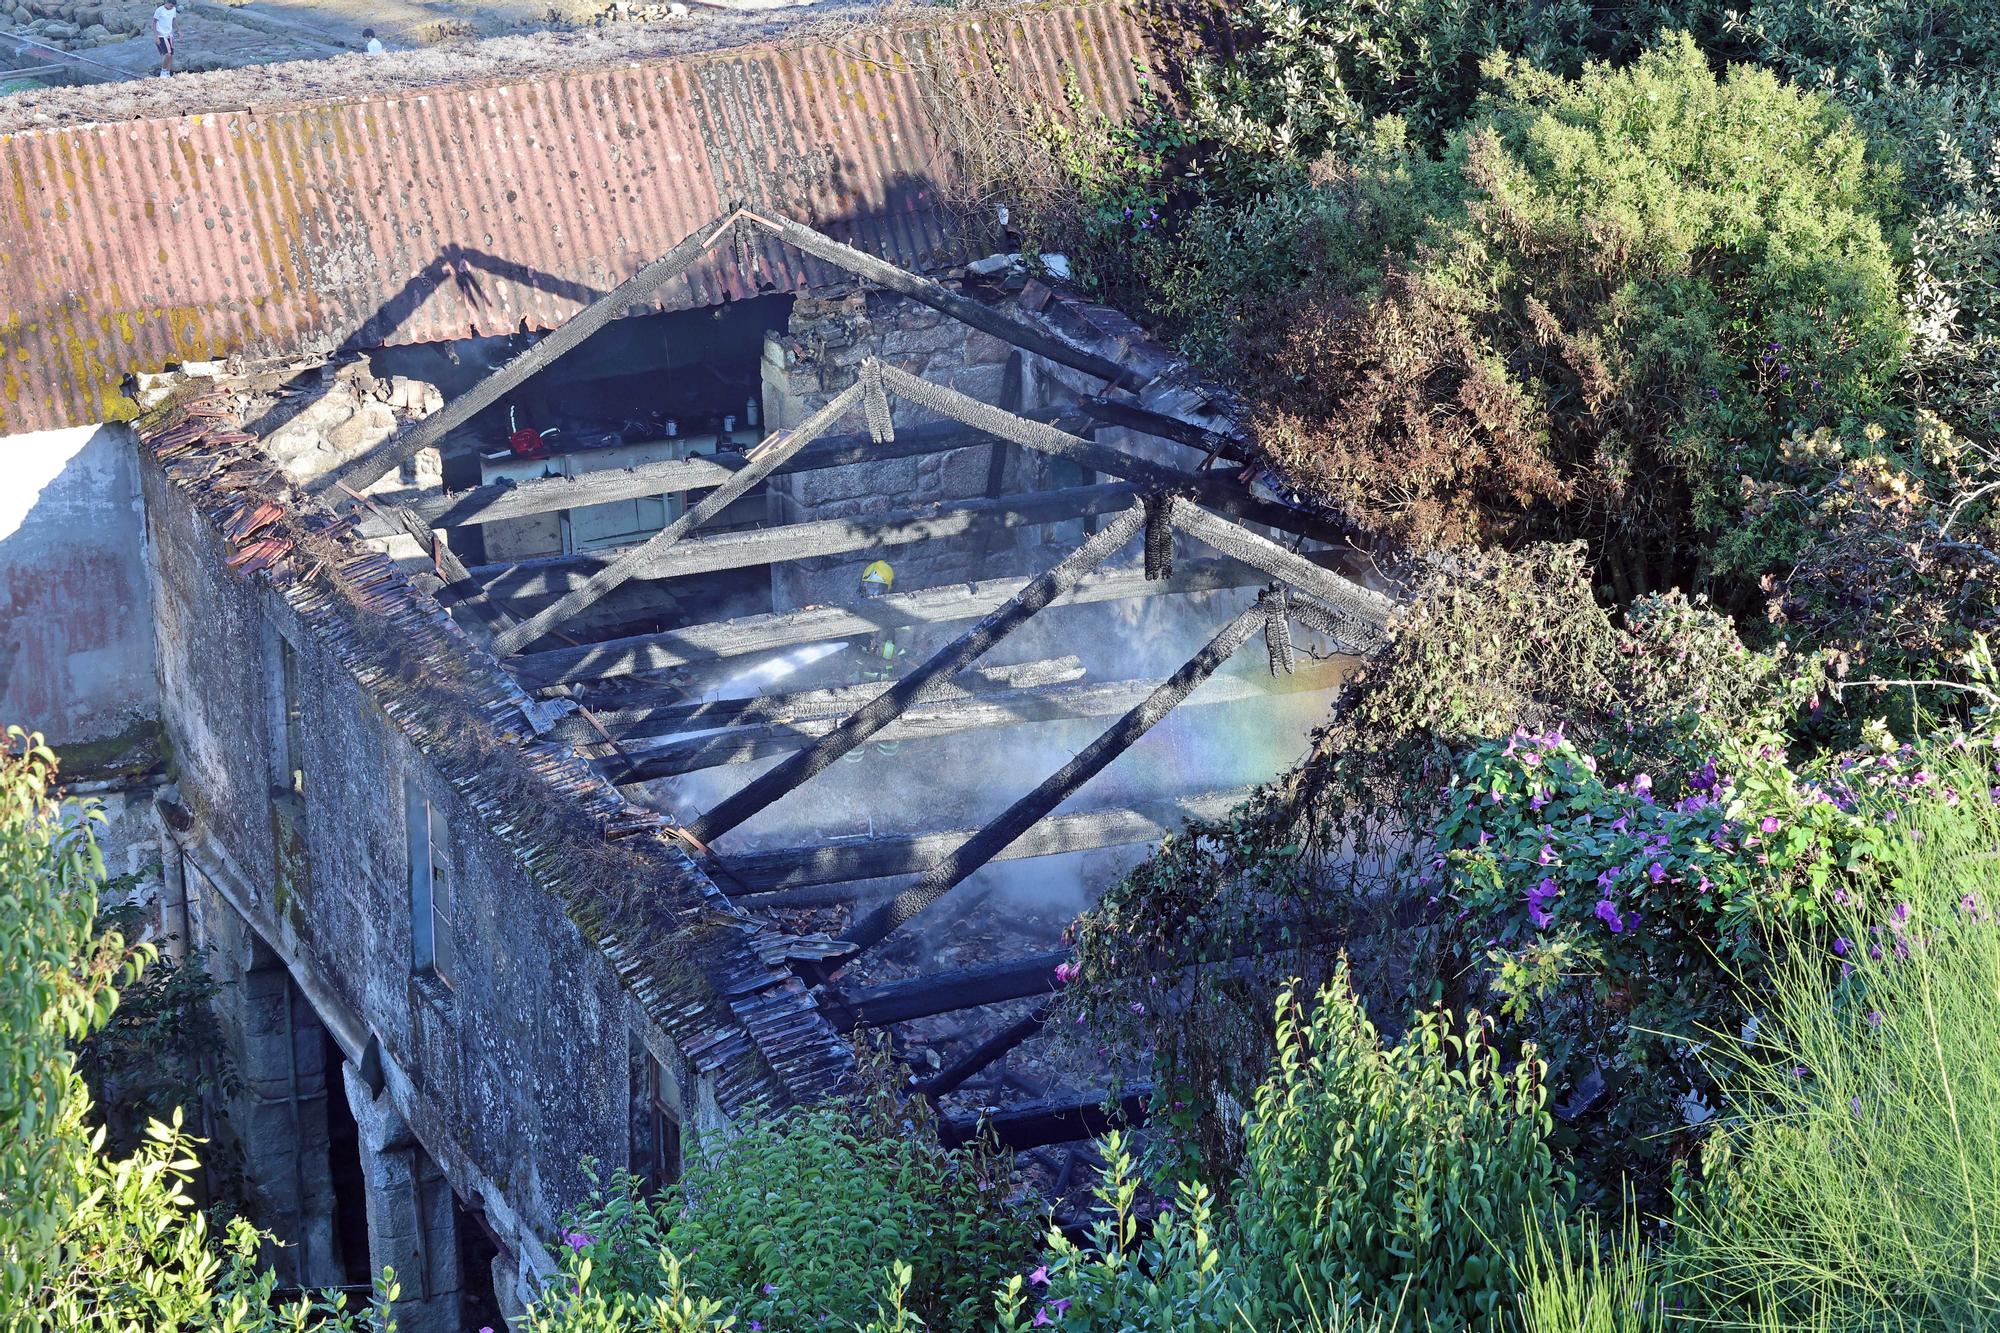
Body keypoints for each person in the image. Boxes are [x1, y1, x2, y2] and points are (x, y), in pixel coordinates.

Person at [845, 560, 905, 762]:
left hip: (888, 682)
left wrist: (880, 649)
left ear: (888, 590)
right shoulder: (856, 612)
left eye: (877, 588)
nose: (872, 593)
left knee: (888, 734)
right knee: (853, 733)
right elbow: (849, 651)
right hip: (860, 681)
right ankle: (850, 771)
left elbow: (906, 653)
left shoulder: (901, 615)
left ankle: (886, 766)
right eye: (868, 587)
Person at [152, 0, 175, 77]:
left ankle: (167, 73)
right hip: (161, 35)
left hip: (169, 34)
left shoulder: (173, 9)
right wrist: (156, 37)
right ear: (167, 3)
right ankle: (163, 72)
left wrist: (179, 30)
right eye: (171, 6)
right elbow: (154, 22)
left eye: (173, 6)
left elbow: (174, 20)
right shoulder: (159, 10)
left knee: (171, 55)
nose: (172, 8)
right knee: (167, 54)